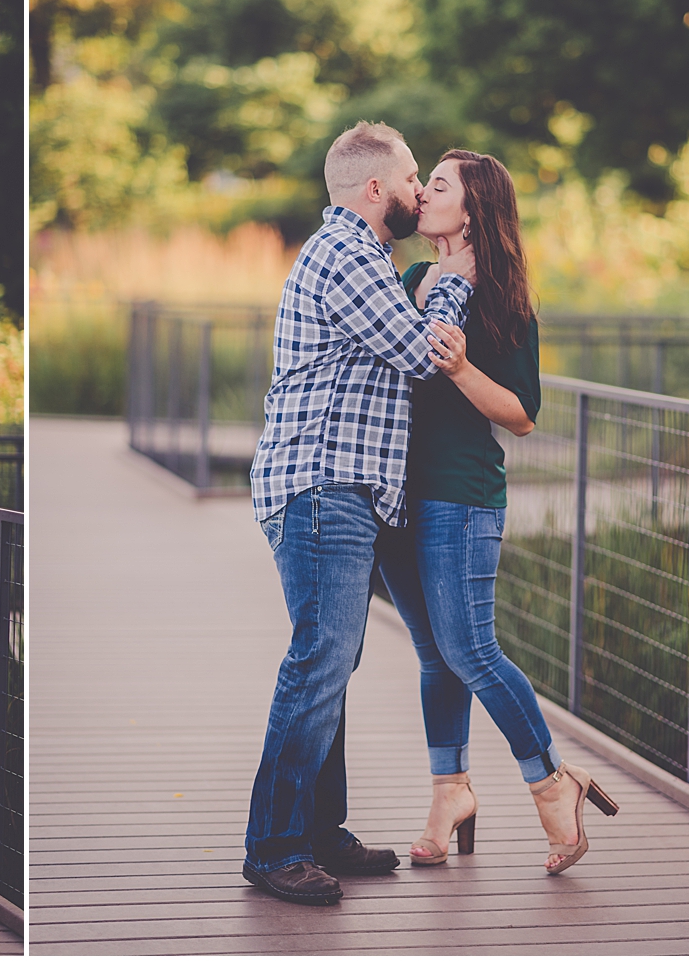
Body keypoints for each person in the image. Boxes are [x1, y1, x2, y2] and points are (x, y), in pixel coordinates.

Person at [243, 121, 475, 907]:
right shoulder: (346, 253)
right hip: (320, 486)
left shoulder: (363, 255)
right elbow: (422, 352)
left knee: (330, 661)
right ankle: (274, 847)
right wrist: (456, 274)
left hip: (339, 490)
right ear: (376, 188)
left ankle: (317, 832)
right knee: (319, 660)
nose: (419, 191)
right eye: (414, 178)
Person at [376, 150, 621, 875]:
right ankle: (450, 793)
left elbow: (521, 415)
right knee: (434, 655)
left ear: (474, 207)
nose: (422, 195)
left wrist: (459, 367)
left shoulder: (504, 300)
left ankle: (553, 783)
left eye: (439, 185)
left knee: (472, 650)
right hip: (398, 498)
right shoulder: (415, 279)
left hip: (459, 494)